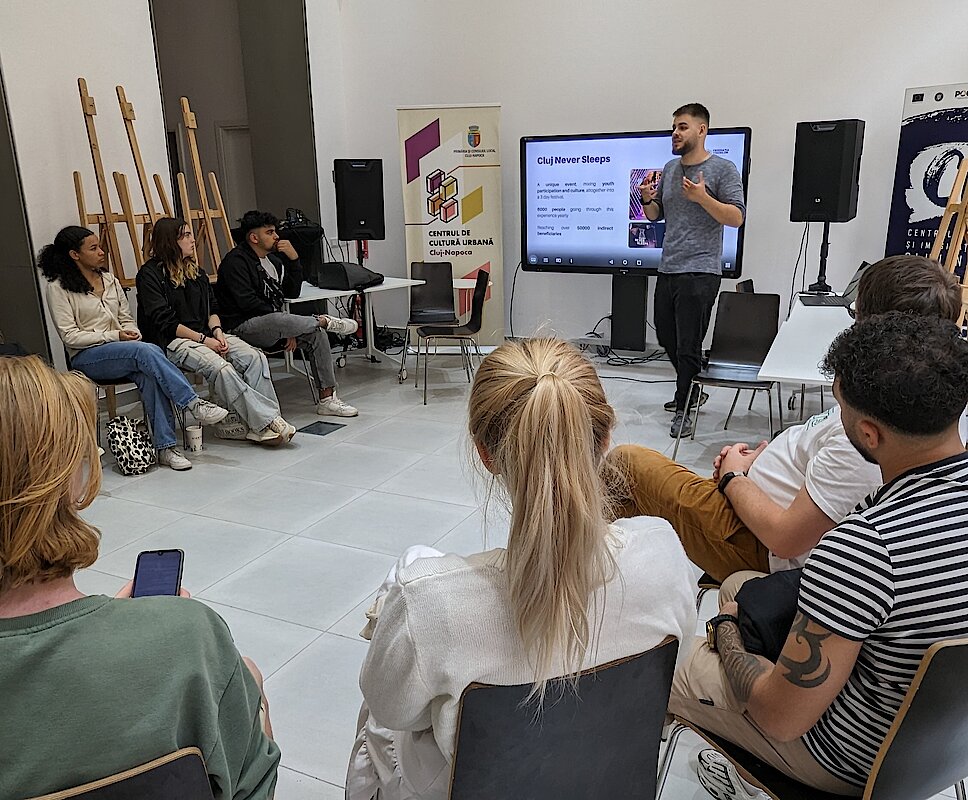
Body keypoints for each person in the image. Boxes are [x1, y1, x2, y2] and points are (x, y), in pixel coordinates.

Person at [345, 338, 696, 800]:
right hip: (607, 783)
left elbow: (390, 708)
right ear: (605, 439)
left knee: (378, 717)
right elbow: (670, 676)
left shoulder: (429, 601)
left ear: (485, 454)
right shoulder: (663, 551)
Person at [673, 311, 968, 795]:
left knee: (670, 668)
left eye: (841, 411)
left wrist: (725, 628)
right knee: (740, 585)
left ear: (869, 435)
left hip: (846, 761)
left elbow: (780, 717)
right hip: (944, 751)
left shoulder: (866, 547)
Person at [0, 355, 279, 799]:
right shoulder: (189, 637)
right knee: (249, 676)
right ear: (69, 480)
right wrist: (141, 632)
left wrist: (106, 631)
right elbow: (253, 785)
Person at [607, 254, 963, 583]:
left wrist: (733, 478)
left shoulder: (867, 437)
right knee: (629, 491)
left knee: (626, 465)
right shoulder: (916, 409)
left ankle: (602, 586)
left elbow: (785, 539)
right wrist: (760, 462)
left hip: (755, 540)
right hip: (751, 500)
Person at [39, 226, 229, 471]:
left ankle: (166, 448)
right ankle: (192, 402)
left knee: (148, 372)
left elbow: (126, 318)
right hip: (87, 357)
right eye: (93, 248)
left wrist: (131, 332)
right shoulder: (57, 288)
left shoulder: (110, 280)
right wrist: (115, 335)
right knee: (145, 351)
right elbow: (70, 336)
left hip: (125, 351)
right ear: (75, 255)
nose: (101, 252)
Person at [137, 217, 296, 446]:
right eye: (186, 235)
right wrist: (204, 340)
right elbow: (165, 322)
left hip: (207, 334)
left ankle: (263, 425)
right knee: (221, 368)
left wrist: (218, 332)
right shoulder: (150, 274)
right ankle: (268, 423)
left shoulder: (196, 272)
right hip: (173, 341)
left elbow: (213, 308)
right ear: (170, 241)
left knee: (255, 357)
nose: (193, 240)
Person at [640, 102, 746, 437]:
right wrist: (647, 200)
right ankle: (693, 389)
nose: (675, 132)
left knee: (689, 344)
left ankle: (684, 407)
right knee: (664, 335)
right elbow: (656, 215)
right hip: (669, 267)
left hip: (701, 270)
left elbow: (736, 217)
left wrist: (703, 198)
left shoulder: (722, 169)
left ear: (702, 130)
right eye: (674, 127)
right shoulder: (670, 169)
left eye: (682, 126)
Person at [215, 210, 360, 417]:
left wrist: (294, 260)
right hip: (242, 327)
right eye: (270, 232)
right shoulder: (235, 262)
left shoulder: (274, 261)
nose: (276, 237)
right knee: (278, 318)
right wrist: (286, 329)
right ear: (254, 237)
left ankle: (327, 399)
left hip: (275, 325)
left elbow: (291, 293)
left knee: (316, 335)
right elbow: (248, 303)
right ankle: (322, 321)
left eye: (275, 232)